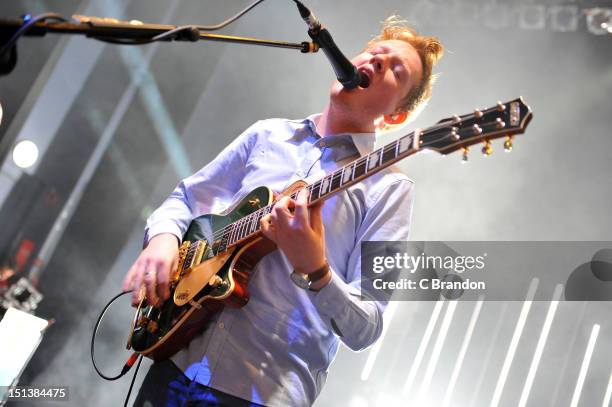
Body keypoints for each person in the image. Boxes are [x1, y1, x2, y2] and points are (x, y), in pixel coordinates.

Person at [123, 16, 443, 407]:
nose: (378, 61)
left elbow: (367, 326)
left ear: (396, 116)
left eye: (396, 69)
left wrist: (317, 270)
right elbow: (187, 199)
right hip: (178, 362)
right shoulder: (268, 135)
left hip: (261, 393)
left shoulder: (389, 188)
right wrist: (162, 239)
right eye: (376, 52)